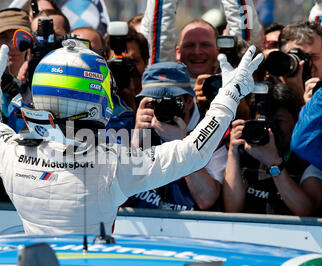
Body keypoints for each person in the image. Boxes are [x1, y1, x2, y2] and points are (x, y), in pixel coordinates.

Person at [0, 26, 263, 234]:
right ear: (98, 100)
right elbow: (194, 152)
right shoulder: (112, 164)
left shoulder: (10, 151)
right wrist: (230, 95)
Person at [127, 62, 226, 211]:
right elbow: (116, 194)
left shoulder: (212, 132)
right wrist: (136, 142)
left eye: (172, 100)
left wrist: (183, 145)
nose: (163, 108)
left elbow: (206, 199)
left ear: (189, 101)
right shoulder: (132, 127)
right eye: (155, 102)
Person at [222, 82, 317, 216]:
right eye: (263, 122)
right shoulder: (245, 152)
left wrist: (274, 163)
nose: (270, 129)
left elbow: (306, 211)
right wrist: (233, 152)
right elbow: (232, 209)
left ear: (296, 122)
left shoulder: (306, 158)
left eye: (278, 122)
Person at [278, 21, 322, 105]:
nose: (302, 63)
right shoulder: (268, 93)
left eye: (312, 56)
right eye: (296, 56)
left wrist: (313, 105)